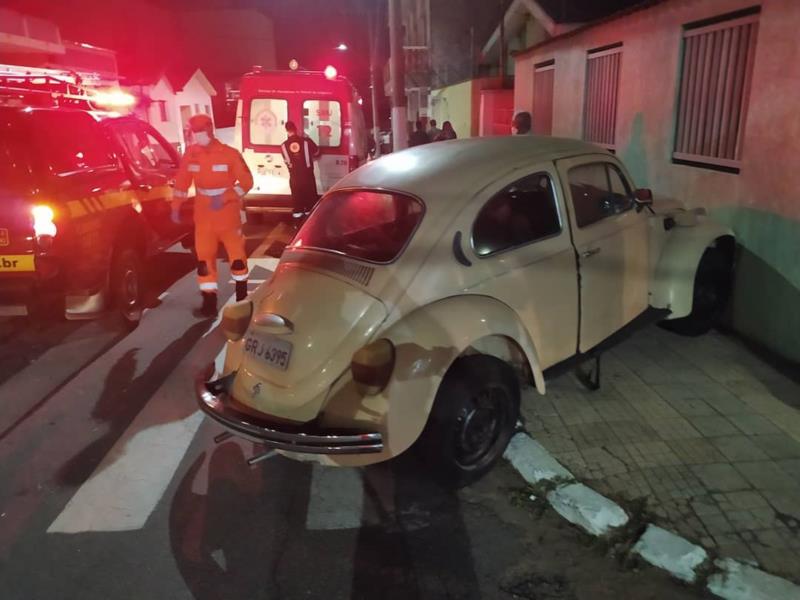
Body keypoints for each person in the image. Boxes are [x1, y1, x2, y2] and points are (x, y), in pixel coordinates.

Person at [171, 113, 253, 317]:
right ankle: (209, 303)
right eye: (195, 132)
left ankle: (242, 298)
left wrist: (226, 197)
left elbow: (246, 182)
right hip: (204, 216)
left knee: (237, 258)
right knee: (204, 261)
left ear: (209, 130)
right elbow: (182, 182)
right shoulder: (191, 154)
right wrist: (176, 206)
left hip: (227, 215)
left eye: (200, 131)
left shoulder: (229, 154)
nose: (198, 136)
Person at [281, 121, 320, 219]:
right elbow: (317, 152)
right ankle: (309, 226)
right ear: (296, 129)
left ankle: (298, 225)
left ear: (286, 130)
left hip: (294, 178)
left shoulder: (283, 146)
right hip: (308, 177)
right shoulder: (306, 141)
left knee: (297, 204)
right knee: (310, 203)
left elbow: (287, 161)